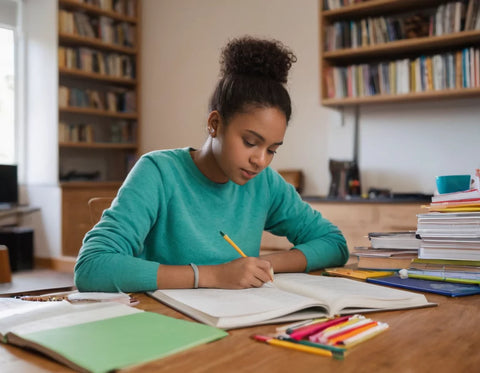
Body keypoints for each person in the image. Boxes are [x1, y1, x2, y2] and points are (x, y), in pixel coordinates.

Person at [74, 36, 349, 292]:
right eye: (250, 142)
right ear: (215, 124)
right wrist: (212, 275)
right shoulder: (158, 172)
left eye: (272, 150)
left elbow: (333, 244)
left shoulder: (265, 183)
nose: (260, 160)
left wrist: (262, 266)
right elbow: (92, 267)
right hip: (163, 323)